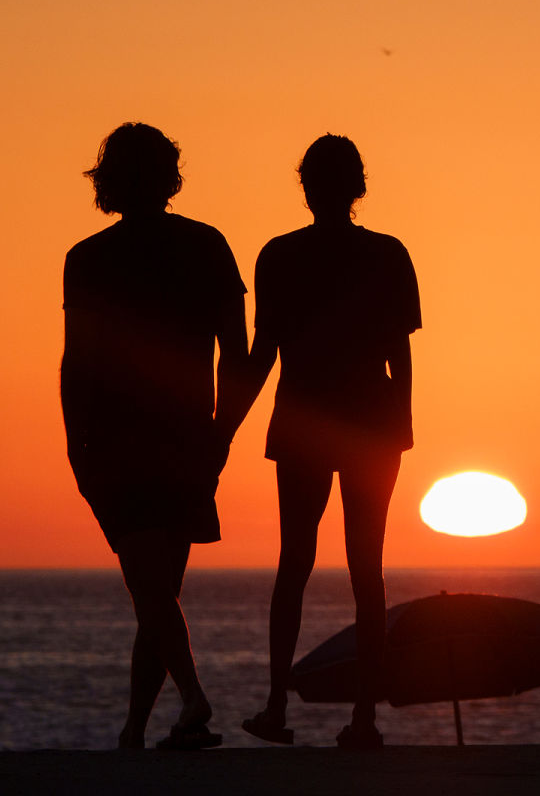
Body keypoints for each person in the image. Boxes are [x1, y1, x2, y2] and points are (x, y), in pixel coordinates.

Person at [228, 135, 420, 750]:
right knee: (366, 568)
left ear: (307, 187)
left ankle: (277, 706)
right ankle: (363, 718)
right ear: (357, 186)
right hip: (367, 427)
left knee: (296, 563)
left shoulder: (280, 256)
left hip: (308, 424)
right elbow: (399, 354)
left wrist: (226, 424)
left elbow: (263, 353)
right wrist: (403, 425)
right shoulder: (387, 254)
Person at [61, 122, 246, 750]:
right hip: (180, 439)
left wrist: (75, 443)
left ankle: (190, 700)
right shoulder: (205, 244)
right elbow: (235, 356)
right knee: (157, 589)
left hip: (127, 442)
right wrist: (221, 435)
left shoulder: (90, 257)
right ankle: (137, 730)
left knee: (152, 589)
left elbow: (77, 361)